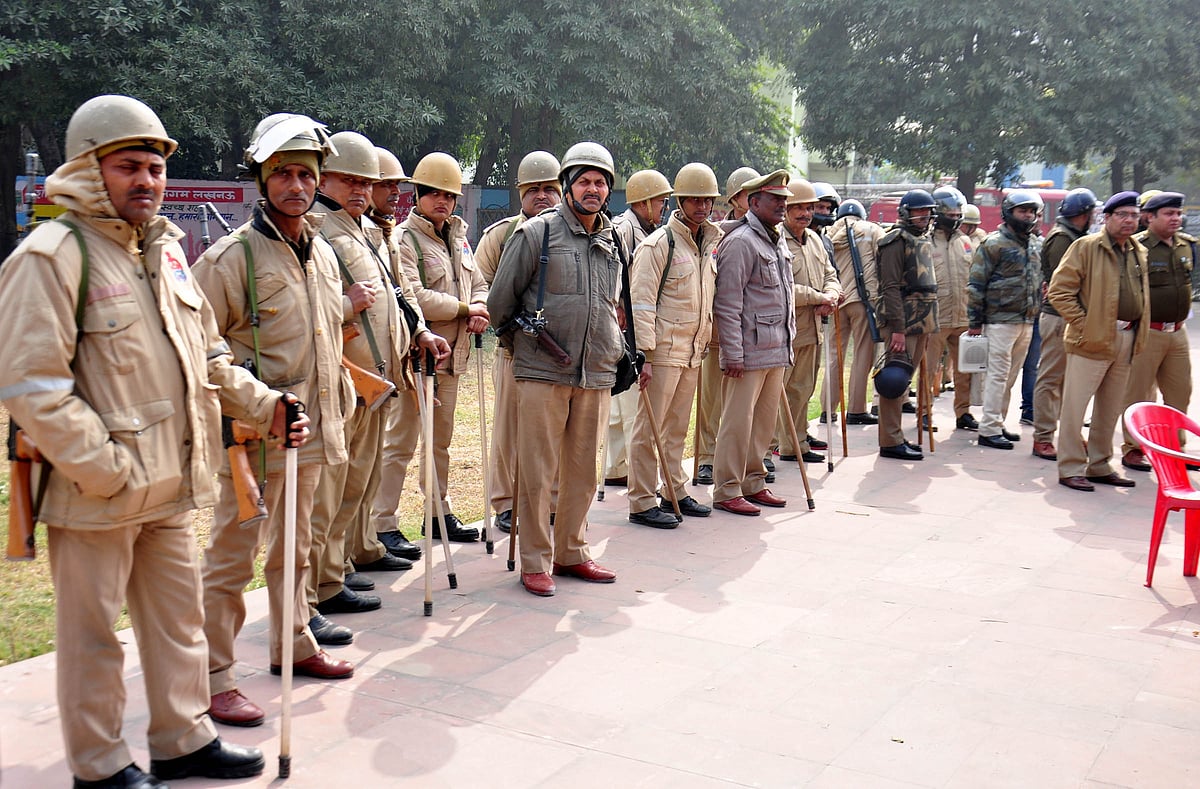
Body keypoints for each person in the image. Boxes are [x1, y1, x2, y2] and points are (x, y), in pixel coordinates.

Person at [0, 95, 304, 786]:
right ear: (89, 168)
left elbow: (210, 357)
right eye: (128, 166)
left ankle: (183, 737)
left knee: (178, 623)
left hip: (170, 482)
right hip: (97, 492)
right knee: (93, 638)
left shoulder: (165, 253)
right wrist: (106, 468)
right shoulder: (52, 257)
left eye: (155, 168)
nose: (147, 180)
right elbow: (31, 385)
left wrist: (268, 405)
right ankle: (101, 763)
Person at [193, 114, 357, 733]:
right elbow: (202, 354)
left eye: (306, 175)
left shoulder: (322, 254)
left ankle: (294, 642)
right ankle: (213, 676)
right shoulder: (228, 258)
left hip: (308, 431)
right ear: (262, 180)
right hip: (251, 436)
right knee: (231, 560)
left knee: (296, 547)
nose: (296, 185)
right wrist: (258, 404)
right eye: (283, 174)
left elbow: (327, 336)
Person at [488, 141, 623, 597]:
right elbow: (500, 305)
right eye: (584, 181)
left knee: (583, 472)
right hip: (543, 373)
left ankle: (572, 552)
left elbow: (612, 303)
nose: (592, 189)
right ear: (567, 185)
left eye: (600, 182)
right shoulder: (536, 234)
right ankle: (534, 561)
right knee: (537, 472)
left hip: (595, 371)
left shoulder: (613, 239)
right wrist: (528, 352)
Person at [627, 162, 723, 528]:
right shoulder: (658, 245)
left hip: (692, 350)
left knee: (677, 428)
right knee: (648, 428)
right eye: (694, 200)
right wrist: (646, 356)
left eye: (707, 200)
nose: (702, 207)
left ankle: (673, 490)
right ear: (679, 202)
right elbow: (641, 303)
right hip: (662, 351)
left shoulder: (708, 243)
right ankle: (640, 500)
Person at [474, 151, 562, 533]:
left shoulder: (571, 234)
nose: (542, 196)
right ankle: (506, 503)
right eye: (533, 189)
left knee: (555, 433)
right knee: (509, 432)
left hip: (560, 354)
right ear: (521, 193)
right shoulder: (501, 235)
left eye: (549, 189)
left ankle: (550, 502)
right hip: (513, 350)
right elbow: (479, 286)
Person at [1047, 191, 1149, 491]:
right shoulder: (1086, 247)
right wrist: (1085, 326)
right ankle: (1070, 467)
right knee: (1075, 407)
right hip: (1090, 340)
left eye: (1134, 215)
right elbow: (1059, 292)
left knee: (1110, 407)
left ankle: (1100, 465)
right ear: (1106, 218)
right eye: (1122, 215)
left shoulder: (1138, 251)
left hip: (1127, 336)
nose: (1129, 220)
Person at [710, 170, 796, 514]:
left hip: (774, 347)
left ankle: (753, 481)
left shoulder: (776, 239)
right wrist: (732, 353)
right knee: (737, 422)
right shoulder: (741, 241)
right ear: (754, 202)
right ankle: (727, 488)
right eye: (775, 199)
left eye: (784, 200)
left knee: (763, 422)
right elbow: (727, 303)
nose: (782, 205)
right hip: (747, 351)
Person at [363, 146, 428, 561]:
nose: (393, 193)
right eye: (384, 184)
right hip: (361, 364)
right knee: (365, 458)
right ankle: (371, 532)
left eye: (396, 185)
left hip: (396, 358)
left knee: (390, 448)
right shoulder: (352, 233)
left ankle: (375, 532)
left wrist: (419, 331)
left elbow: (404, 294)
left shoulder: (384, 233)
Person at [693, 166, 761, 485]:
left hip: (753, 333)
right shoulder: (716, 235)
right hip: (719, 330)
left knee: (746, 405)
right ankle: (706, 458)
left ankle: (744, 458)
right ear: (734, 199)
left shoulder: (767, 235)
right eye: (749, 195)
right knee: (710, 400)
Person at [606, 169, 672, 487]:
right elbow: (615, 273)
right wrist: (618, 306)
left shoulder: (645, 229)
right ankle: (633, 470)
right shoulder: (624, 229)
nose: (664, 208)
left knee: (621, 405)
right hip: (626, 325)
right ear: (644, 202)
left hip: (630, 323)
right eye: (660, 201)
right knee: (631, 404)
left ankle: (618, 467)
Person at [1120, 191, 1195, 471]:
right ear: (1149, 217)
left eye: (1178, 213)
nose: (1176, 218)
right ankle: (1134, 448)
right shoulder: (1136, 247)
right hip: (1147, 332)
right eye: (1169, 213)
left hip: (1178, 332)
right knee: (1138, 393)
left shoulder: (1187, 245)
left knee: (1179, 393)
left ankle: (1175, 450)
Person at [967, 190, 1043, 450]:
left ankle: (997, 423)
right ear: (1009, 213)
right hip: (999, 321)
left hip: (1026, 320)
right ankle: (988, 429)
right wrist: (975, 322)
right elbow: (976, 284)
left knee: (1010, 377)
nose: (1028, 216)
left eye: (1031, 212)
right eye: (1023, 211)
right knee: (997, 375)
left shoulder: (1035, 244)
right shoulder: (993, 244)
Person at [776, 177, 840, 463]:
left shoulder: (815, 240)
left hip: (813, 329)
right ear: (786, 209)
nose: (805, 213)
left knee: (803, 390)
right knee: (775, 394)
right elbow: (783, 286)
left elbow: (830, 275)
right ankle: (766, 451)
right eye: (799, 208)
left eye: (810, 208)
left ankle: (795, 444)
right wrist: (819, 298)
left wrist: (831, 296)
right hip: (784, 330)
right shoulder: (776, 239)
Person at [1031, 188, 1097, 461]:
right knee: (1050, 379)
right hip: (1059, 317)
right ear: (1083, 214)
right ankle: (1043, 436)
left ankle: (1070, 433)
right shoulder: (1062, 239)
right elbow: (1066, 282)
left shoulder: (1074, 237)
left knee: (1070, 381)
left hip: (1071, 316)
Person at [876, 189, 939, 460]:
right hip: (902, 321)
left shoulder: (922, 239)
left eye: (928, 211)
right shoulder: (895, 241)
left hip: (922, 320)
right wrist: (898, 329)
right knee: (894, 379)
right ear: (906, 212)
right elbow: (890, 287)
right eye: (918, 211)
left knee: (905, 382)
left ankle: (898, 435)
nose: (924, 215)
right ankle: (890, 441)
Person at [921, 187, 976, 432]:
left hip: (963, 316)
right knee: (929, 367)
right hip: (936, 318)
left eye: (957, 214)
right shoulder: (926, 242)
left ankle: (963, 412)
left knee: (965, 370)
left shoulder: (965, 243)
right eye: (950, 214)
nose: (954, 218)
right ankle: (924, 412)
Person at [827, 198, 884, 425]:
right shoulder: (872, 230)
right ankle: (856, 410)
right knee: (863, 355)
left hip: (835, 299)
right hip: (863, 301)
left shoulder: (829, 233)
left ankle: (828, 410)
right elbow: (884, 258)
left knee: (834, 356)